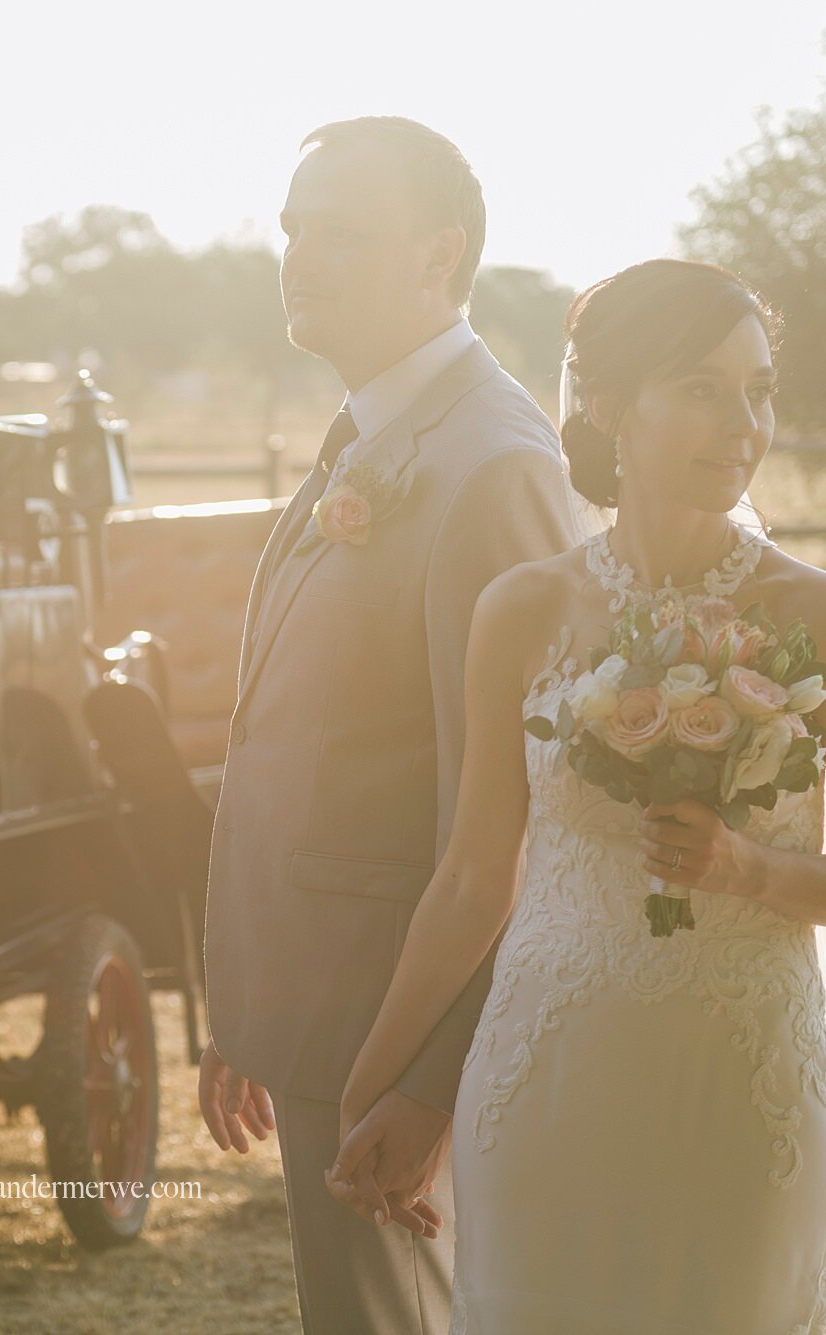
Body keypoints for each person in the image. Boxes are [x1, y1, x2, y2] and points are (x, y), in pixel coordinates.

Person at [330, 258, 826, 1333]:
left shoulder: (822, 617)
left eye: (757, 389)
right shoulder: (520, 610)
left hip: (741, 1089)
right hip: (545, 1075)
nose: (741, 422)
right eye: (699, 387)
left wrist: (752, 869)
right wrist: (368, 1091)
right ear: (606, 407)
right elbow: (469, 878)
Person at [194, 117, 582, 1333]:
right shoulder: (373, 431)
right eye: (291, 229)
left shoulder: (488, 466)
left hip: (391, 1020)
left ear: (437, 255)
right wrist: (252, 1001)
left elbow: (523, 817)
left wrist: (427, 1081)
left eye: (340, 235)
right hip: (314, 998)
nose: (297, 258)